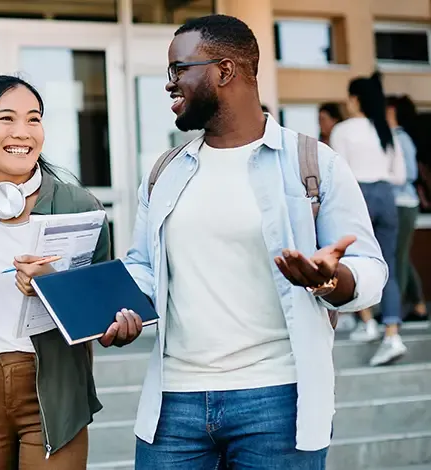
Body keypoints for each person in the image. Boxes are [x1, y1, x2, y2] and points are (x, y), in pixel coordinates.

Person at [124, 15, 386, 469]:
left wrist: (332, 279)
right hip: (173, 404)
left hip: (277, 399)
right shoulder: (165, 172)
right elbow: (142, 268)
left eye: (178, 70)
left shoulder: (314, 163)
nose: (169, 85)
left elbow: (369, 270)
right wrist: (115, 309)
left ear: (224, 71)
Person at [0, 75, 144, 469]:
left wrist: (57, 289)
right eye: (6, 118)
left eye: (33, 119)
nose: (22, 132)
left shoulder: (78, 204)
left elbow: (105, 312)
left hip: (51, 393)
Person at [329, 74, 407, 366]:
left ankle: (367, 322)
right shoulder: (385, 130)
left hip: (358, 194)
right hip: (387, 195)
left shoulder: (343, 130)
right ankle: (392, 334)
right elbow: (399, 175)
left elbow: (338, 173)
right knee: (389, 264)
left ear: (355, 99)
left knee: (354, 259)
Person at [386, 95, 427, 322]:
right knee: (401, 255)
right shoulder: (394, 137)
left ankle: (394, 310)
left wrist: (383, 178)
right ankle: (418, 303)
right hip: (399, 204)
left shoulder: (401, 139)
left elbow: (409, 173)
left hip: (403, 203)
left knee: (397, 257)